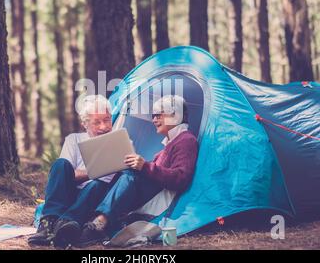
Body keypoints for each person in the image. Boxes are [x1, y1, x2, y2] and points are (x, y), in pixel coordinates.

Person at [79, 95, 198, 246]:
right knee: (117, 175)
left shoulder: (186, 140)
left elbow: (180, 178)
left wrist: (145, 166)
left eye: (158, 115)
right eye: (152, 116)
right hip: (149, 193)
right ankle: (88, 221)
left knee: (132, 173)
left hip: (161, 200)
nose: (153, 120)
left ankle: (100, 223)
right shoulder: (170, 144)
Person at [28, 95, 115, 247]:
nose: (104, 126)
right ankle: (48, 223)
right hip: (72, 195)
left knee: (96, 184)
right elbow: (66, 173)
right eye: (97, 122)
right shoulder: (74, 140)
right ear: (85, 124)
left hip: (96, 198)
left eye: (107, 119)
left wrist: (90, 173)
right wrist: (98, 169)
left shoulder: (119, 142)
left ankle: (66, 223)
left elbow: (114, 179)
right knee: (61, 164)